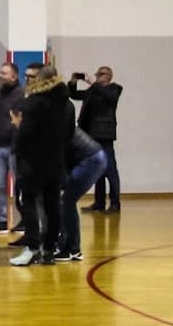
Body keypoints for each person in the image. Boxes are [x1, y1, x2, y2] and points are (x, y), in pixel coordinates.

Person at [9, 64, 74, 268]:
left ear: (40, 80)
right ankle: (48, 251)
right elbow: (67, 133)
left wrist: (18, 130)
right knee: (52, 206)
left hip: (33, 163)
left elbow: (25, 134)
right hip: (55, 162)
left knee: (28, 202)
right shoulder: (65, 102)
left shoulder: (33, 103)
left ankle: (32, 248)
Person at [70, 66, 123, 213]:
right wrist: (73, 81)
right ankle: (99, 203)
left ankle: (115, 203)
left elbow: (109, 97)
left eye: (102, 74)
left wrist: (93, 83)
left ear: (109, 76)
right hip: (91, 134)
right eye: (97, 73)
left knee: (110, 170)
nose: (98, 76)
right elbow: (73, 94)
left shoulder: (114, 89)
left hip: (105, 135)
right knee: (98, 170)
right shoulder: (93, 90)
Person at [56, 124, 110, 262]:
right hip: (93, 157)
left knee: (66, 201)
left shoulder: (52, 127)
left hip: (91, 160)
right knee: (66, 201)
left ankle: (72, 249)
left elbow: (60, 158)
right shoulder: (55, 121)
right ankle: (65, 245)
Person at [0, 62, 25, 235]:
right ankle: (1, 220)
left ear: (14, 76)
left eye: (4, 73)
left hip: (16, 146)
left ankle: (25, 219)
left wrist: (14, 129)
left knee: (21, 185)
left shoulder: (22, 94)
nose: (0, 75)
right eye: (0, 72)